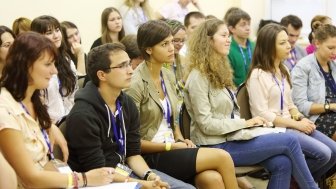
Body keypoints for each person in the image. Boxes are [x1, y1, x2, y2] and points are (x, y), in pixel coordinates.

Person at [184, 18, 319, 189]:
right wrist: (245, 123)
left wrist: (247, 126)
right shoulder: (198, 77)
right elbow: (205, 124)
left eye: (228, 35)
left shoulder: (218, 70)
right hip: (213, 145)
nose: (229, 40)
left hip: (232, 137)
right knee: (290, 139)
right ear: (209, 40)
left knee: (282, 163)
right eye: (224, 35)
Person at [126, 20, 239, 189]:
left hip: (173, 147)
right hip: (152, 154)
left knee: (213, 179)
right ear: (148, 49)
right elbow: (133, 143)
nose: (172, 48)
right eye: (165, 44)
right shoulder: (135, 84)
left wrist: (179, 138)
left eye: (172, 41)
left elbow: (173, 117)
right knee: (222, 157)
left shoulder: (167, 74)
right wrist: (171, 145)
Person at [0, 31, 114, 189]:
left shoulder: (34, 100)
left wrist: (51, 126)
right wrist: (84, 178)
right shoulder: (5, 110)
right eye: (48, 64)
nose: (54, 71)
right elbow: (30, 178)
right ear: (25, 65)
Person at [65, 43, 176, 189]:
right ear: (102, 75)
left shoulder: (126, 103)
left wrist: (150, 176)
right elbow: (99, 171)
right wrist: (142, 184)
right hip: (99, 182)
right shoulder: (83, 115)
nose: (131, 71)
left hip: (125, 173)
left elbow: (133, 154)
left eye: (129, 64)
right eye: (122, 66)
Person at [246, 23, 336, 182]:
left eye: (287, 41)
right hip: (275, 130)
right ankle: (300, 182)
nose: (289, 46)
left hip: (291, 124)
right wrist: (296, 124)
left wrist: (300, 118)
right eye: (282, 43)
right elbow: (262, 114)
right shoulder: (257, 75)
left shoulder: (283, 70)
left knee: (334, 151)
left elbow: (290, 104)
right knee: (324, 154)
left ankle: (296, 182)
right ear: (268, 47)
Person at [291, 24, 336, 141]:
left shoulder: (333, 65)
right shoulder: (303, 67)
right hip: (317, 117)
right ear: (317, 43)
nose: (334, 52)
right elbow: (301, 105)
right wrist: (330, 106)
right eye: (330, 48)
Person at [31, 15, 78, 125]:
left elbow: (74, 93)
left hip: (71, 119)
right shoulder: (35, 66)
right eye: (49, 33)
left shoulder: (66, 60)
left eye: (57, 30)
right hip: (49, 124)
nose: (56, 35)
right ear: (38, 37)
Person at [226, 8, 255, 87]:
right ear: (232, 29)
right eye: (243, 25)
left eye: (249, 24)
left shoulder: (255, 46)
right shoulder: (227, 48)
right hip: (236, 93)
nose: (248, 28)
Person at [165, 19, 186, 99]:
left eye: (183, 40)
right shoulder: (160, 61)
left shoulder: (183, 59)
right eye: (176, 40)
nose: (180, 44)